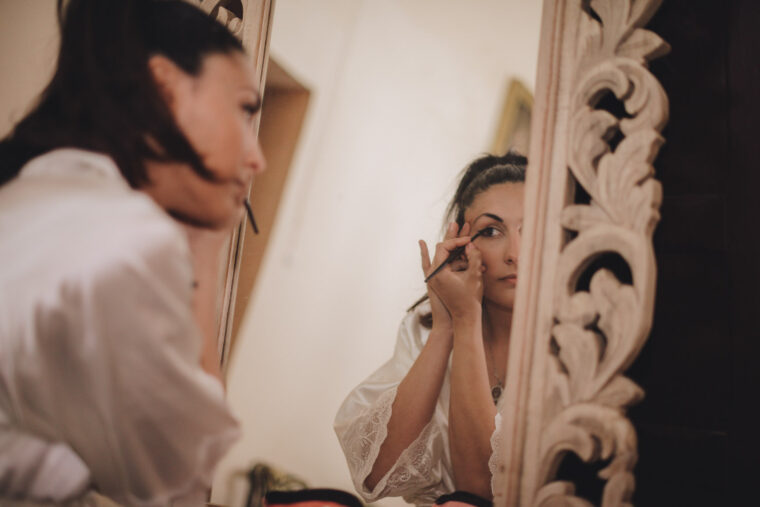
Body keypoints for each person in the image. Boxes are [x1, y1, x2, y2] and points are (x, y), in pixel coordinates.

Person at [0, 0, 266, 504]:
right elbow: (180, 485)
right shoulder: (129, 237)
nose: (258, 158)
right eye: (245, 109)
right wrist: (205, 247)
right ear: (165, 88)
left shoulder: (28, 194)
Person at [334, 152, 526, 506]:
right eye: (491, 231)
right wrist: (446, 328)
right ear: (462, 247)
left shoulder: (575, 342)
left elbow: (482, 493)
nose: (515, 253)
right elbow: (374, 474)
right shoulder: (424, 329)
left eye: (532, 230)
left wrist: (467, 319)